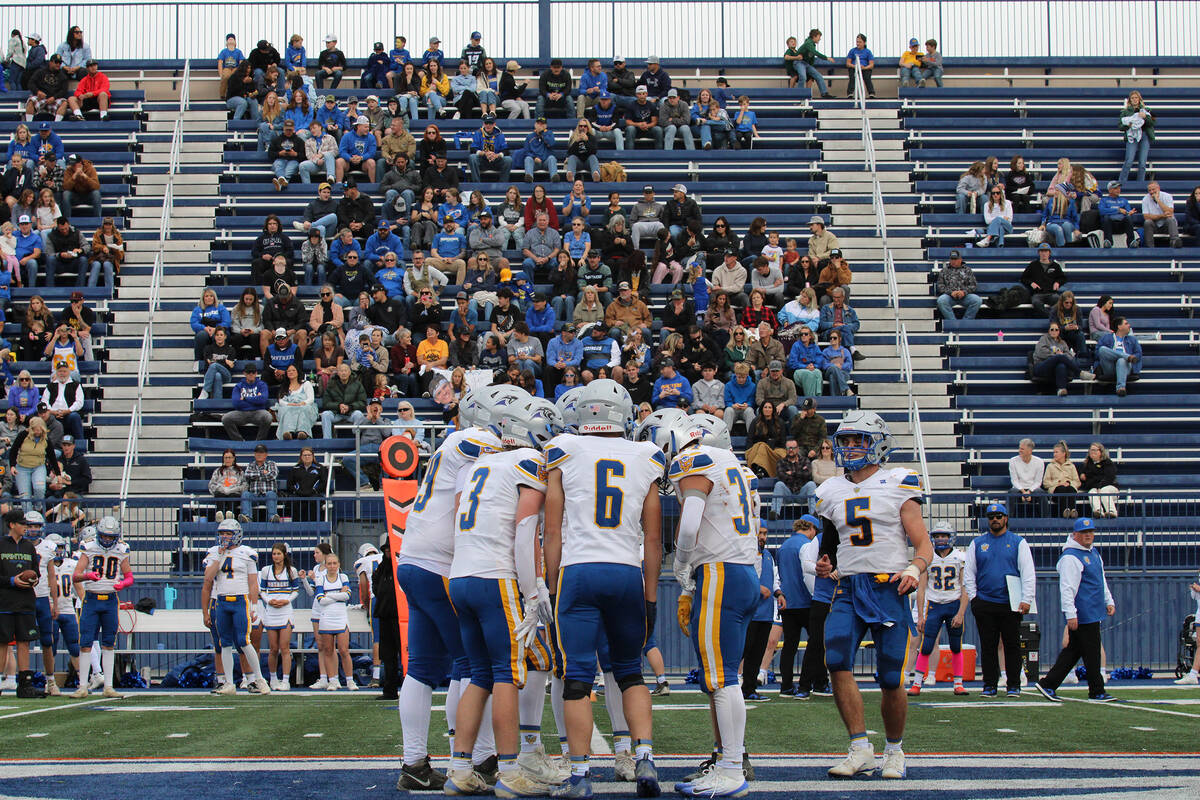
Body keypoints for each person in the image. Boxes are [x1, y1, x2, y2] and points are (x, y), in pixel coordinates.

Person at [543, 380, 663, 797]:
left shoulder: (564, 448)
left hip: (579, 571)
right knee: (630, 672)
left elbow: (552, 532)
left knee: (577, 678)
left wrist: (552, 588)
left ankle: (580, 777)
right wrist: (650, 596)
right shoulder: (646, 455)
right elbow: (653, 539)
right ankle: (644, 757)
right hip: (626, 572)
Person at [443, 396, 556, 797]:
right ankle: (510, 771)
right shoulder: (528, 462)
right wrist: (532, 591)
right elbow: (525, 533)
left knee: (479, 675)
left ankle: (459, 768)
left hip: (462, 575)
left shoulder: (481, 464)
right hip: (495, 577)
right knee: (508, 674)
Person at [394, 390, 506, 790]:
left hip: (412, 557)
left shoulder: (451, 442)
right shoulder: (478, 441)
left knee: (421, 668)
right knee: (473, 665)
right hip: (441, 562)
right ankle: (477, 757)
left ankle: (414, 764)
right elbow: (467, 502)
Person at [813, 411, 932, 779]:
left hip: (888, 586)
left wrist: (914, 568)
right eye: (845, 440)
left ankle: (894, 750)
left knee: (891, 675)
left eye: (858, 440)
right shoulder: (830, 490)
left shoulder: (898, 482)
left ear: (878, 444)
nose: (850, 447)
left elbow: (923, 544)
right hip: (848, 587)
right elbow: (832, 541)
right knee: (836, 660)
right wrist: (825, 562)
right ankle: (860, 748)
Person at [1035, 518, 1117, 702]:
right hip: (1084, 612)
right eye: (1084, 532)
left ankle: (1048, 683)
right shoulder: (1071, 557)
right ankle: (1096, 690)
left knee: (1074, 650)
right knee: (1092, 651)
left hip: (1093, 610)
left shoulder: (1093, 553)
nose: (1088, 535)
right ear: (1075, 534)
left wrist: (1108, 600)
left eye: (1091, 532)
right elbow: (1067, 588)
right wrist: (1070, 614)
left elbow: (1101, 579)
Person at [964, 501, 1036, 698]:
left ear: (1006, 518)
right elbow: (969, 573)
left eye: (998, 516)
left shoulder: (1018, 542)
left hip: (1010, 602)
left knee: (1012, 644)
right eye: (991, 517)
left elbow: (1028, 572)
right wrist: (974, 598)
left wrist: (1027, 598)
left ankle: (1013, 684)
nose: (995, 520)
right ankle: (989, 684)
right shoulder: (977, 543)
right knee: (988, 645)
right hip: (985, 601)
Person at [70, 516, 134, 698]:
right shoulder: (89, 547)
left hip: (110, 599)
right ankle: (82, 686)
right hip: (91, 598)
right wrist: (87, 576)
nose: (106, 540)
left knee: (109, 643)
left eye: (110, 537)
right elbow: (76, 575)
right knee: (85, 642)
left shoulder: (121, 549)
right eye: (104, 536)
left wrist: (123, 584)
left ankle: (108, 686)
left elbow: (129, 576)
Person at [908, 522, 969, 696]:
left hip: (953, 604)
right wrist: (920, 615)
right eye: (937, 536)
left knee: (956, 645)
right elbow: (921, 588)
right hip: (934, 605)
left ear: (951, 537)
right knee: (926, 645)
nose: (940, 539)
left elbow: (964, 587)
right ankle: (917, 683)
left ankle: (958, 683)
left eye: (943, 536)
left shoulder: (960, 557)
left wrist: (961, 612)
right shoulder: (928, 557)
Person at [0, 510, 41, 698]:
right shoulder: (1, 545)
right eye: (22, 524)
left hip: (25, 601)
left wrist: (33, 579)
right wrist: (11, 581)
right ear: (12, 525)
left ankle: (25, 684)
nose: (26, 527)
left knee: (24, 641)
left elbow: (36, 572)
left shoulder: (28, 546)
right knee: (2, 642)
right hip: (4, 601)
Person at [221, 363, 272, 441]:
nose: (251, 374)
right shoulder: (238, 386)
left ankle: (259, 441)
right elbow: (236, 403)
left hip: (258, 412)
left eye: (253, 372)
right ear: (244, 373)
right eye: (248, 372)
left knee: (268, 417)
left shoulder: (262, 385)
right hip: (241, 412)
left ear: (256, 373)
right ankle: (239, 441)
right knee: (226, 418)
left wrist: (245, 398)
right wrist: (256, 399)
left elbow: (263, 400)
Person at [1032, 322, 1084, 397]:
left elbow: (1069, 356)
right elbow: (1040, 352)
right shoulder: (1044, 339)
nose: (1054, 331)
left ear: (1059, 331)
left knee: (1061, 365)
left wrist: (1060, 355)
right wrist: (1055, 355)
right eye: (1052, 329)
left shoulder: (1062, 343)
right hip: (1041, 366)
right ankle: (1079, 372)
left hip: (1055, 370)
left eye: (1056, 330)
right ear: (1049, 331)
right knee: (1060, 357)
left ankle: (1061, 389)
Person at [1094, 316, 1141, 397]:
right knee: (1102, 349)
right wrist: (1115, 355)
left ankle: (1121, 388)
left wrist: (1127, 357)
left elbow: (1138, 354)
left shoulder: (1132, 339)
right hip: (1109, 367)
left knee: (1121, 360)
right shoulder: (1106, 338)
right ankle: (1127, 356)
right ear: (1119, 327)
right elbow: (1098, 353)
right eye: (1126, 324)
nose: (1129, 325)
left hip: (1125, 367)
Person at [771, 439, 816, 517]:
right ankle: (774, 513)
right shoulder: (781, 462)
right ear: (786, 450)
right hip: (787, 495)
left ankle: (813, 514)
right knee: (779, 484)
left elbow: (808, 474)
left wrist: (791, 473)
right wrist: (800, 472)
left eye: (793, 448)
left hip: (802, 494)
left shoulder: (805, 460)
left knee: (811, 484)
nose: (791, 450)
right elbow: (782, 477)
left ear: (798, 449)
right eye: (789, 448)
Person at [1021, 243, 1068, 315]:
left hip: (1051, 293)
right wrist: (1031, 283)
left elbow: (1063, 278)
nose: (1044, 253)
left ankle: (1052, 316)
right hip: (1038, 293)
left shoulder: (1055, 266)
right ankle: (1050, 316)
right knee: (1036, 302)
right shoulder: (1033, 265)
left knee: (1059, 301)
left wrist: (1058, 282)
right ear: (1039, 253)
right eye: (1042, 251)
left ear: (1049, 253)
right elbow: (1023, 278)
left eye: (1046, 251)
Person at [1118, 90, 1153, 184]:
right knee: (1129, 160)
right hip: (1132, 136)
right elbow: (1120, 126)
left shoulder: (1146, 110)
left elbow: (1152, 122)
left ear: (1139, 99)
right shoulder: (1125, 112)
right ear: (1130, 100)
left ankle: (1140, 184)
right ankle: (1122, 182)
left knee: (1142, 163)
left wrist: (1145, 117)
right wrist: (1128, 125)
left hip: (1144, 135)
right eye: (1132, 98)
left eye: (1136, 97)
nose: (1134, 99)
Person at [934, 250, 981, 320]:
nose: (953, 261)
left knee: (977, 300)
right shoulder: (944, 271)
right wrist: (951, 292)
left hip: (965, 296)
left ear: (960, 259)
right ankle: (953, 322)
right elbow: (940, 286)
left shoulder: (967, 270)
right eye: (952, 259)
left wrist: (964, 292)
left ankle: (966, 321)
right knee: (941, 300)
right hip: (950, 296)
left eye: (955, 259)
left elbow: (973, 285)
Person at [1079, 442, 1119, 519]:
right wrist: (1096, 484)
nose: (1093, 452)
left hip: (1110, 487)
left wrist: (1099, 486)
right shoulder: (1086, 465)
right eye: (1091, 450)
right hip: (1095, 487)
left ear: (1101, 452)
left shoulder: (1107, 463)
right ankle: (1098, 512)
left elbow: (1109, 478)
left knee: (1104, 490)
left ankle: (1112, 512)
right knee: (1091, 492)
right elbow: (1088, 482)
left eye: (1095, 450)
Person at [1141, 181, 1181, 248]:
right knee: (1147, 222)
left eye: (1153, 189)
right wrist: (1162, 216)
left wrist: (1158, 200)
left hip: (1166, 226)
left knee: (1170, 219)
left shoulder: (1167, 196)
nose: (1151, 192)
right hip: (1154, 226)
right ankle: (1150, 247)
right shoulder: (1145, 199)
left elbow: (1170, 212)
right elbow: (1146, 217)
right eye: (1149, 190)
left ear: (1158, 188)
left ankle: (1175, 242)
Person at [796, 29, 833, 98]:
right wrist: (826, 58)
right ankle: (799, 94)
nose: (820, 39)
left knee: (818, 76)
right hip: (799, 62)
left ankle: (824, 93)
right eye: (819, 37)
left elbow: (811, 58)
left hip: (806, 64)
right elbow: (815, 53)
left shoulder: (812, 44)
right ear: (814, 36)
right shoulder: (808, 43)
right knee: (803, 77)